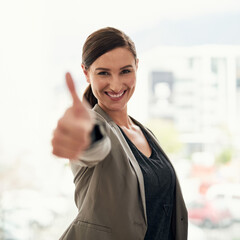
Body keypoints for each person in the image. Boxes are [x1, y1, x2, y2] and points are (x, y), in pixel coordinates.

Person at [52, 27, 188, 240]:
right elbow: (94, 146)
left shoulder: (145, 132)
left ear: (137, 67)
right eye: (103, 73)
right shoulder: (96, 128)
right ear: (86, 73)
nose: (116, 85)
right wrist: (82, 134)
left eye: (125, 71)